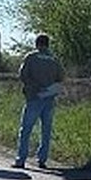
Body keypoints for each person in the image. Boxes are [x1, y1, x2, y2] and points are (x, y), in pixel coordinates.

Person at [13, 33, 63, 169]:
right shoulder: (54, 59)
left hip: (34, 97)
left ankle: (21, 159)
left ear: (37, 44)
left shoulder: (31, 57)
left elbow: (22, 75)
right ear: (48, 44)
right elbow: (61, 77)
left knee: (26, 129)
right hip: (50, 98)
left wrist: (32, 86)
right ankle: (42, 159)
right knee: (46, 130)